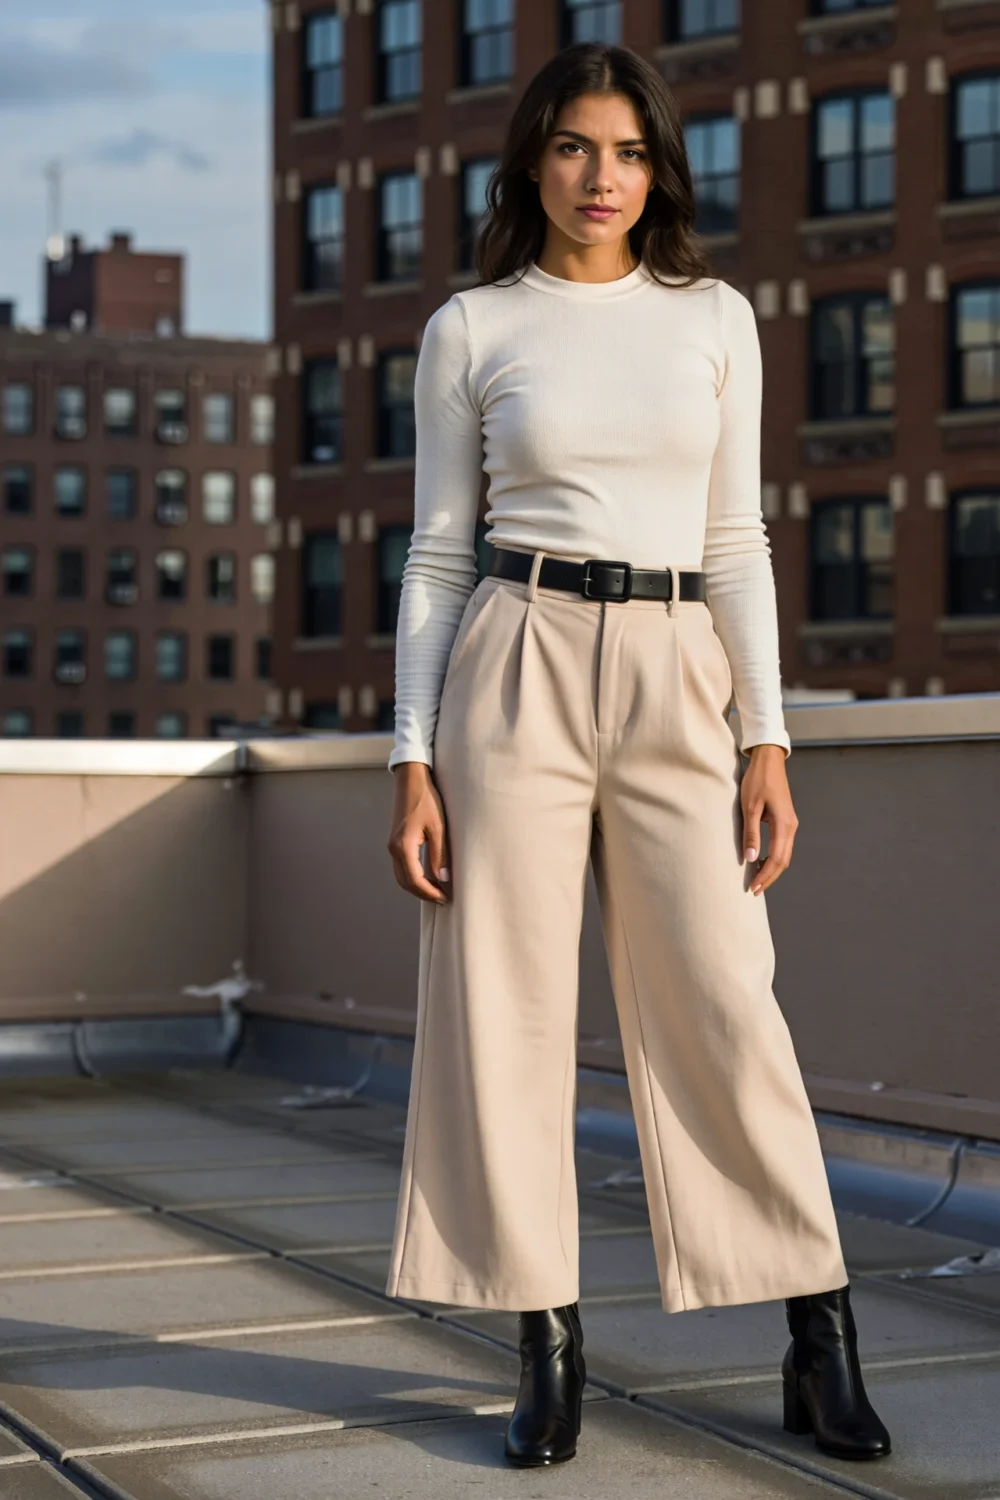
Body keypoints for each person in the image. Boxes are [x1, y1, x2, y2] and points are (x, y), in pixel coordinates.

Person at [385, 41, 892, 1471]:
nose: (600, 178)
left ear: (660, 165)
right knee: (505, 1019)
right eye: (570, 149)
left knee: (731, 1006)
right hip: (516, 659)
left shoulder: (714, 318)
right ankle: (545, 1344)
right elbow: (435, 555)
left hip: (680, 672)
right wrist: (410, 756)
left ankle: (818, 1333)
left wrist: (768, 737)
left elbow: (738, 541)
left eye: (626, 151)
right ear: (531, 163)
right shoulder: (474, 327)